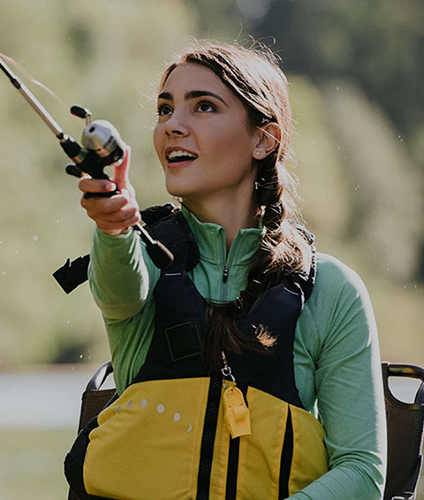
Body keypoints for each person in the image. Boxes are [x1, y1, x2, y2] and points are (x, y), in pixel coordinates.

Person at [64, 44, 385, 499]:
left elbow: (362, 473)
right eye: (164, 109)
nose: (173, 125)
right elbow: (118, 292)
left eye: (204, 106)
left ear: (263, 139)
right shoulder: (136, 256)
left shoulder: (333, 291)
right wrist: (113, 227)